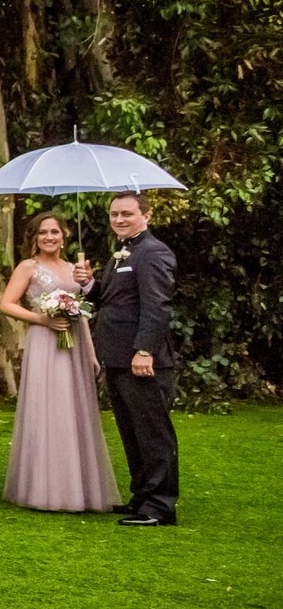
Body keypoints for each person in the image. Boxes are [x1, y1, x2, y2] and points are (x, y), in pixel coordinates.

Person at [0, 212, 118, 512]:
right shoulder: (29, 267)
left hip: (75, 345)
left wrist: (90, 352)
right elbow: (6, 304)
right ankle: (43, 488)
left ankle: (78, 487)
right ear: (35, 237)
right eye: (43, 232)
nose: (49, 237)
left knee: (73, 410)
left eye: (55, 232)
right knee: (48, 408)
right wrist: (42, 319)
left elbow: (82, 312)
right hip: (44, 342)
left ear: (64, 235)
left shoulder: (75, 268)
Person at [74, 191, 179, 527]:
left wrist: (145, 350)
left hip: (141, 359)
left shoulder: (153, 252)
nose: (119, 219)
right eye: (114, 214)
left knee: (152, 432)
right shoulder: (123, 252)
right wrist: (89, 284)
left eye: (127, 214)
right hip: (117, 357)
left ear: (146, 216)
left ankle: (160, 506)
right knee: (131, 431)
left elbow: (157, 305)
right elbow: (112, 299)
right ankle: (142, 496)